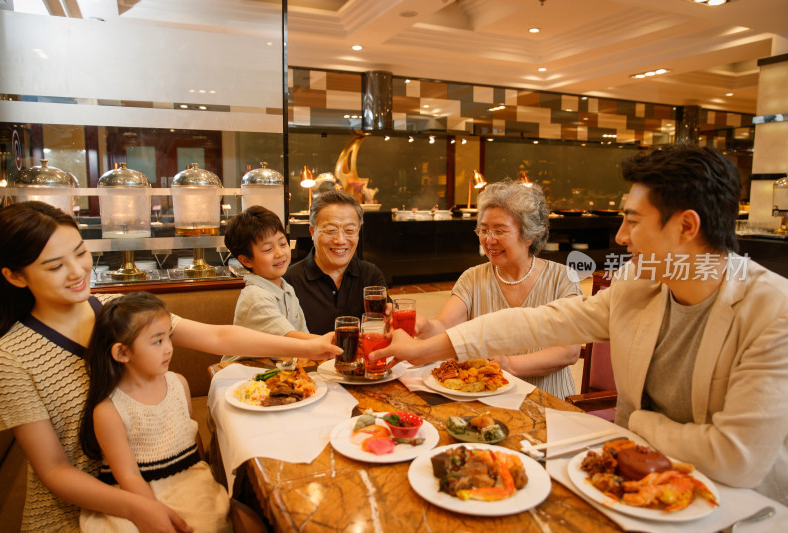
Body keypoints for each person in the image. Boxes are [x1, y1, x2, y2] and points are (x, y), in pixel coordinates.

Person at [373, 145, 788, 503]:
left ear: (686, 226)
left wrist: (638, 421)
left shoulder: (772, 313)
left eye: (633, 220)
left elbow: (735, 460)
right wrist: (424, 349)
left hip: (732, 504)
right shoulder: (638, 288)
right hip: (630, 482)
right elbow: (534, 324)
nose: (622, 236)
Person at [0, 201, 341, 532]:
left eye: (80, 252)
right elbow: (53, 470)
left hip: (170, 482)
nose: (77, 270)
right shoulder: (10, 358)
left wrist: (308, 345)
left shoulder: (118, 311)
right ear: (15, 276)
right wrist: (138, 508)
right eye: (54, 266)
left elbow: (218, 338)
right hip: (78, 511)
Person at [79, 292, 231, 532]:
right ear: (122, 353)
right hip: (140, 493)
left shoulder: (178, 383)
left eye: (168, 337)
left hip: (190, 480)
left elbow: (191, 437)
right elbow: (128, 477)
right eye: (158, 341)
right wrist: (156, 513)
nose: (169, 348)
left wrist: (208, 476)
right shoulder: (109, 410)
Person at [415, 180, 581, 399]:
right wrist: (424, 326)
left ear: (529, 234)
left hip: (548, 400)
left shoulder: (562, 279)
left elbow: (568, 351)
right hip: (488, 397)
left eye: (499, 231)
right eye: (484, 230)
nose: (489, 240)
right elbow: (445, 326)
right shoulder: (473, 278)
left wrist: (509, 364)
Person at [284, 190, 388, 334]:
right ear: (312, 232)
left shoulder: (370, 275)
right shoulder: (289, 282)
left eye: (349, 230)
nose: (340, 240)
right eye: (331, 230)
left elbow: (385, 326)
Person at [222, 206, 313, 363]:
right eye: (268, 249)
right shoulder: (255, 296)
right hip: (243, 375)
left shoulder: (287, 288)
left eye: (283, 244)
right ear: (246, 260)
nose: (279, 253)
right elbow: (289, 338)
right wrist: (335, 341)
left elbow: (304, 333)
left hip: (278, 368)